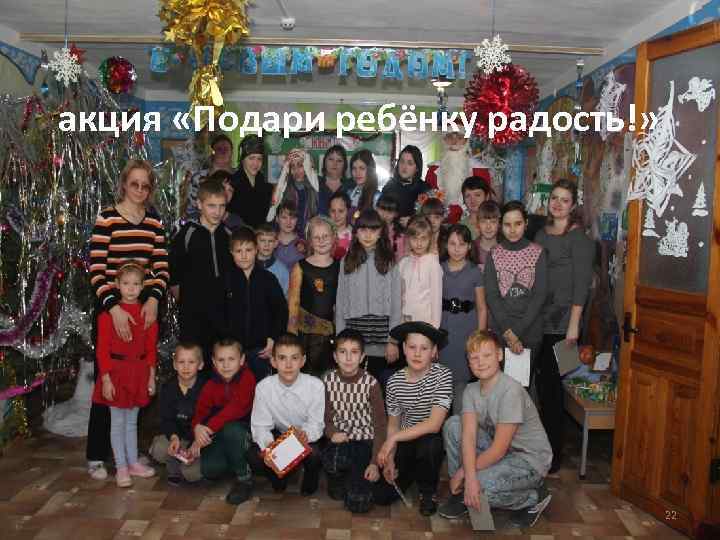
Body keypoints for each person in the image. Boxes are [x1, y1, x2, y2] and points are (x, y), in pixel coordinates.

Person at [87, 159, 169, 481]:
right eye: (134, 183)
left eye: (145, 185)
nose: (139, 190)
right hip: (111, 309)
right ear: (124, 184)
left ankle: (130, 456)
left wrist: (153, 299)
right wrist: (113, 307)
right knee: (107, 384)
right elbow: (96, 268)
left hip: (142, 309)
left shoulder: (154, 222)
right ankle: (97, 456)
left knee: (135, 384)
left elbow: (161, 267)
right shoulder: (107, 218)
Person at [438, 330, 553, 528]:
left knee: (481, 485)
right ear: (468, 362)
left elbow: (498, 450)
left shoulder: (511, 390)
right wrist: (467, 476)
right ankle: (464, 493)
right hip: (502, 451)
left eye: (487, 355)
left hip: (528, 459)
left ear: (499, 355)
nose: (480, 362)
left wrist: (465, 473)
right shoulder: (471, 391)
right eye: (474, 358)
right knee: (454, 425)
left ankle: (534, 497)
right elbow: (468, 436)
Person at [533, 179, 594, 473]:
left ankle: (553, 455)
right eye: (554, 198)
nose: (557, 204)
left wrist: (573, 327)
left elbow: (582, 286)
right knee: (540, 388)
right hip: (538, 319)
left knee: (556, 390)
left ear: (573, 205)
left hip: (563, 324)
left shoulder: (579, 238)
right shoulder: (540, 234)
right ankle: (538, 447)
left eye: (564, 200)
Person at [373, 321, 453, 516]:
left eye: (424, 348)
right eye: (412, 347)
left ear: (434, 352)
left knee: (430, 444)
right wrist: (391, 459)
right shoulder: (394, 382)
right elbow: (393, 424)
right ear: (403, 349)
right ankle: (411, 473)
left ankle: (428, 491)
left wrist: (393, 439)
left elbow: (434, 424)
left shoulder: (443, 375)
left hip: (428, 440)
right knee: (381, 496)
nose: (417, 354)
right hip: (404, 441)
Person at [91, 261, 158, 487]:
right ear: (117, 285)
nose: (131, 288)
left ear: (143, 286)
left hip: (139, 373)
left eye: (136, 284)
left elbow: (151, 350)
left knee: (132, 423)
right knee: (117, 423)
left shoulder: (147, 314)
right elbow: (102, 351)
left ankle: (133, 463)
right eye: (126, 283)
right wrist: (106, 379)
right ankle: (121, 466)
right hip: (116, 374)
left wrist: (151, 376)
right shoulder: (107, 316)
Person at [248, 333, 325, 495]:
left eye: (294, 358)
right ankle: (279, 478)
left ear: (303, 361)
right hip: (278, 435)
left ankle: (309, 479)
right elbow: (260, 426)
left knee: (315, 454)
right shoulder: (263, 387)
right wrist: (270, 450)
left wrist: (306, 434)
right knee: (254, 455)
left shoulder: (316, 386)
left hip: (304, 435)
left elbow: (316, 424)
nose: (288, 364)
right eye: (282, 358)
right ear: (273, 361)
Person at [322, 330, 387, 513]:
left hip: (364, 441)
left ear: (362, 357)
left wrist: (374, 462)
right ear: (335, 356)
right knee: (335, 460)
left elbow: (380, 425)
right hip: (340, 439)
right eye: (343, 352)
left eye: (354, 352)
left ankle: (355, 480)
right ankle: (337, 478)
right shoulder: (327, 381)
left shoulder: (371, 384)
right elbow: (325, 417)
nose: (349, 358)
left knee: (359, 503)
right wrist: (331, 433)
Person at [484, 201, 547, 387]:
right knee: (499, 389)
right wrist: (508, 333)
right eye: (507, 224)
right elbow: (492, 296)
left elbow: (539, 296)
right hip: (501, 331)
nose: (512, 230)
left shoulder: (538, 252)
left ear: (526, 223)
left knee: (520, 391)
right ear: (501, 225)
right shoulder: (494, 254)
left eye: (517, 224)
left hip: (530, 332)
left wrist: (517, 332)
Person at [169, 178, 233, 363]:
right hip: (193, 313)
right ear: (199, 204)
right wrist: (186, 301)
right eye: (211, 206)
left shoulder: (228, 235)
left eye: (221, 206)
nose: (217, 212)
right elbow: (174, 273)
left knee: (221, 361)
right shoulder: (186, 234)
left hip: (222, 313)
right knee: (194, 360)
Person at [335, 209, 402, 382]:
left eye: (373, 229)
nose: (368, 235)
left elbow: (396, 304)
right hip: (353, 339)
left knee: (376, 388)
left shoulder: (389, 262)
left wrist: (393, 341)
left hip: (382, 340)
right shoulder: (346, 261)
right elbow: (340, 302)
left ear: (381, 232)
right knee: (353, 388)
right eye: (363, 229)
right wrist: (340, 340)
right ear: (356, 232)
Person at [190, 338, 256, 504]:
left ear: (241, 360)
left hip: (246, 432)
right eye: (221, 360)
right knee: (209, 470)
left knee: (231, 429)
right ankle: (235, 462)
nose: (226, 365)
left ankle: (244, 478)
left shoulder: (247, 378)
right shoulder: (210, 385)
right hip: (219, 434)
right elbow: (200, 412)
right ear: (214, 362)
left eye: (231, 359)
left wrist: (208, 429)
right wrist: (197, 429)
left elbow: (236, 408)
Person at [225, 227, 288, 382]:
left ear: (256, 250)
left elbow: (281, 311)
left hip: (262, 350)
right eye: (238, 251)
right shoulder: (225, 281)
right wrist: (225, 343)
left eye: (248, 250)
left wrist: (273, 338)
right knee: (235, 389)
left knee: (261, 389)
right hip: (233, 350)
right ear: (231, 253)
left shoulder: (269, 279)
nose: (244, 256)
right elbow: (218, 314)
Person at [439, 224, 485, 412]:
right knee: (441, 384)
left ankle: (459, 423)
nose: (457, 249)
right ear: (446, 245)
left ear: (469, 246)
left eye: (462, 244)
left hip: (467, 331)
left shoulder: (475, 271)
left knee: (461, 387)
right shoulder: (438, 269)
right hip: (444, 332)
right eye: (452, 244)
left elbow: (481, 307)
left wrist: (480, 338)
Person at [287, 216, 340, 376]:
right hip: (305, 336)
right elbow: (293, 302)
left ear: (333, 237)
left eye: (325, 236)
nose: (321, 240)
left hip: (331, 335)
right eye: (316, 237)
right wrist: (291, 332)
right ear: (309, 240)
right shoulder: (300, 267)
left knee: (328, 378)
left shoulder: (341, 267)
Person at [149, 341, 207, 486]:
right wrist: (174, 437)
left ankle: (190, 464)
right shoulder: (168, 388)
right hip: (179, 439)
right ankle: (174, 468)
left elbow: (209, 421)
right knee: (159, 449)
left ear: (200, 365)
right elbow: (166, 419)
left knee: (192, 474)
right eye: (181, 362)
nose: (186, 367)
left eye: (191, 362)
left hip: (198, 442)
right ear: (175, 365)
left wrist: (197, 443)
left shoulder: (206, 388)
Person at [425, 131, 492, 223]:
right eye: (450, 137)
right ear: (444, 140)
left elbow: (486, 205)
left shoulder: (480, 170)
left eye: (459, 138)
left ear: (466, 140)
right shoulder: (433, 170)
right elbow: (428, 204)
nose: (454, 142)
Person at [399, 216, 443, 328]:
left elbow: (436, 299)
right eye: (414, 238)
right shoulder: (404, 263)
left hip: (425, 323)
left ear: (430, 239)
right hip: (404, 321)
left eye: (423, 239)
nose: (419, 243)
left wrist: (434, 328)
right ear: (408, 239)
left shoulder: (433, 264)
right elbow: (399, 294)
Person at [268, 148, 320, 235]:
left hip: (310, 235)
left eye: (300, 165)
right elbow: (273, 216)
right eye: (292, 166)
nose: (296, 170)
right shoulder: (283, 188)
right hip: (287, 236)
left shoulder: (315, 187)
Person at [185, 134, 235, 222]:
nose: (223, 152)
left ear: (231, 152)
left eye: (226, 149)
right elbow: (192, 210)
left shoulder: (239, 177)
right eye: (219, 149)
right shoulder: (198, 178)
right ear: (212, 153)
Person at [229, 135, 273, 228]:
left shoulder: (266, 185)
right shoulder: (232, 183)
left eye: (259, 159)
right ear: (242, 159)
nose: (255, 163)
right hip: (238, 234)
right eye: (251, 158)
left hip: (262, 235)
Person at [381, 145, 429, 224]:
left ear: (417, 168)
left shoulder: (424, 189)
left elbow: (430, 218)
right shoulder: (389, 186)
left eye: (410, 163)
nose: (404, 166)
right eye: (402, 161)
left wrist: (413, 221)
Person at [255, 222, 290, 297]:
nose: (266, 245)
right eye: (262, 240)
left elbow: (284, 298)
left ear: (276, 243)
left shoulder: (282, 271)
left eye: (270, 241)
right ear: (255, 243)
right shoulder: (247, 266)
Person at [347, 150, 381, 221]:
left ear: (370, 170)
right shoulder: (349, 193)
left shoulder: (377, 196)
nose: (357, 173)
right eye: (354, 168)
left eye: (362, 168)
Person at [319, 145, 352, 215]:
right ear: (325, 162)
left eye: (339, 160)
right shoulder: (315, 182)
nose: (335, 164)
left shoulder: (351, 185)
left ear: (344, 165)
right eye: (331, 159)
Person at [459, 176, 495, 240]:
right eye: (468, 196)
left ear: (487, 197)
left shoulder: (496, 224)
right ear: (463, 199)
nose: (473, 200)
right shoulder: (460, 226)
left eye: (477, 195)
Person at [274, 200, 307, 272]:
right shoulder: (269, 241)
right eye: (284, 217)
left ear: (297, 219)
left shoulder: (304, 243)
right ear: (277, 219)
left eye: (292, 218)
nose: (288, 222)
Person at [376, 193, 406, 261]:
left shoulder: (399, 235)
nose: (385, 215)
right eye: (382, 209)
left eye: (390, 212)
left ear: (396, 214)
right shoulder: (370, 227)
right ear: (376, 208)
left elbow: (401, 257)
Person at [474, 200, 501, 272]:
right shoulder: (471, 248)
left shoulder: (506, 248)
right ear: (478, 224)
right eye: (483, 221)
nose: (488, 226)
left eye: (493, 222)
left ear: (499, 224)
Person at [328, 191, 353, 261]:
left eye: (341, 211)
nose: (336, 216)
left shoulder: (354, 235)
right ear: (328, 212)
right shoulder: (323, 234)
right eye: (333, 211)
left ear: (348, 211)